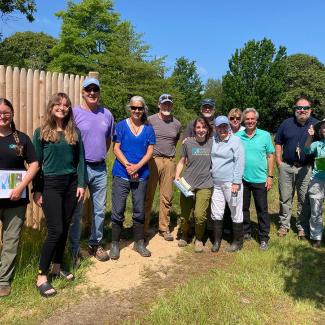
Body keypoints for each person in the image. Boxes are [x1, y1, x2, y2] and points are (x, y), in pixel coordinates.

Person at [33, 93, 85, 297]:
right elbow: (36, 164)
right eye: (58, 104)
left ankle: (57, 266)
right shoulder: (41, 132)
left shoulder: (75, 132)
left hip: (71, 184)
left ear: (69, 109)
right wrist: (36, 189)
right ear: (51, 107)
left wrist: (81, 183)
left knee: (65, 227)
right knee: (55, 230)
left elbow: (81, 160)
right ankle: (41, 275)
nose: (62, 108)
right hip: (51, 185)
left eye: (65, 105)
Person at [69, 78, 114, 263]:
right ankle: (74, 248)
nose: (92, 93)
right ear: (83, 92)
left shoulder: (107, 114)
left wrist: (100, 154)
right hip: (80, 168)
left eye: (95, 89)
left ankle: (95, 244)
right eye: (89, 89)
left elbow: (108, 140)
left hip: (100, 168)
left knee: (100, 210)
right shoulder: (74, 113)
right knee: (77, 211)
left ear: (99, 92)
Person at [0, 98, 39, 297]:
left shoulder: (21, 139)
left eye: (6, 112)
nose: (2, 115)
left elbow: (34, 164)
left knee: (11, 239)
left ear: (12, 114)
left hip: (16, 199)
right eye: (0, 112)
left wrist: (21, 187)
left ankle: (3, 281)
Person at [110, 96, 155, 259]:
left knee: (139, 210)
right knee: (118, 209)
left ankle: (139, 243)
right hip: (121, 173)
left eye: (140, 108)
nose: (136, 111)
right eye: (134, 108)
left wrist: (138, 166)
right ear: (130, 108)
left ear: (144, 110)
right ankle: (115, 244)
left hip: (141, 174)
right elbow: (116, 148)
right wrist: (129, 166)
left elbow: (150, 151)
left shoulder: (149, 128)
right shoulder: (121, 126)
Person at [275, 98, 319, 239]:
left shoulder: (316, 124)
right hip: (287, 166)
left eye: (305, 108)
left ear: (310, 110)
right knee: (285, 197)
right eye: (299, 108)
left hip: (306, 168)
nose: (302, 110)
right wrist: (278, 161)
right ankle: (284, 225)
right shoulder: (286, 123)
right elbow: (278, 142)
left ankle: (302, 226)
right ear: (295, 110)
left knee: (304, 198)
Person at [236, 108, 275, 251]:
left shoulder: (265, 135)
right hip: (242, 179)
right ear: (243, 121)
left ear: (256, 120)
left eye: (252, 119)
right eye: (247, 119)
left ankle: (264, 237)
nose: (250, 121)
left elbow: (270, 156)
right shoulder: (238, 136)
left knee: (262, 209)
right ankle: (246, 231)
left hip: (260, 179)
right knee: (243, 207)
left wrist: (270, 176)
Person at [144, 94, 181, 241]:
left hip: (169, 161)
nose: (166, 107)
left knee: (167, 196)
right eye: (164, 104)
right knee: (148, 195)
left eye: (169, 104)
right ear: (159, 105)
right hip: (153, 160)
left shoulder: (177, 124)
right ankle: (143, 227)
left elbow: (175, 140)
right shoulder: (150, 120)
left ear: (171, 106)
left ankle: (164, 228)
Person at [175, 117, 213, 253]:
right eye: (198, 127)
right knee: (185, 215)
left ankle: (199, 238)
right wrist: (177, 176)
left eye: (203, 127)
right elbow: (181, 161)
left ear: (207, 129)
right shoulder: (187, 143)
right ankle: (185, 234)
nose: (201, 130)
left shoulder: (212, 143)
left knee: (199, 215)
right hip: (187, 183)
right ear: (194, 129)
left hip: (205, 183)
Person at [210, 116, 245, 252]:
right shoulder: (213, 140)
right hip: (216, 182)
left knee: (235, 211)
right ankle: (217, 241)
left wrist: (236, 181)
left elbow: (239, 161)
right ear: (216, 128)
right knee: (216, 212)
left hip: (231, 183)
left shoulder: (236, 141)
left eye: (224, 126)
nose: (222, 129)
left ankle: (237, 242)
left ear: (228, 126)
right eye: (219, 126)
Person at [304, 119, 325, 248]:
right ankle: (317, 237)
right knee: (316, 210)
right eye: (323, 127)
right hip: (317, 180)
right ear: (320, 131)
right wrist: (309, 136)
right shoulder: (317, 144)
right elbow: (306, 150)